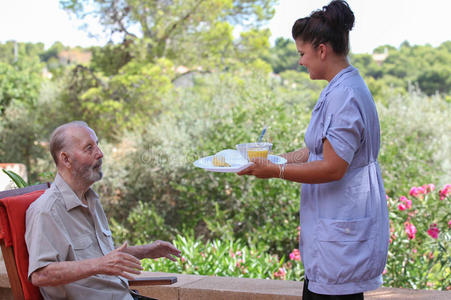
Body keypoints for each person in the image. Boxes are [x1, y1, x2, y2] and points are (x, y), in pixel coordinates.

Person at [238, 1, 389, 299]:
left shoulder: (345, 96)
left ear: (322, 50)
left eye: (302, 53)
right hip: (335, 240)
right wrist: (272, 159)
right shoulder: (340, 89)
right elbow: (314, 152)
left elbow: (333, 167)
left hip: (341, 241)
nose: (300, 62)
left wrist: (276, 171)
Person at [25, 121, 181, 300]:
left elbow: (102, 258)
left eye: (97, 145)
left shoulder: (90, 199)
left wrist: (145, 251)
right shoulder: (46, 211)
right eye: (89, 148)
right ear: (66, 159)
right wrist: (99, 265)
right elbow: (41, 274)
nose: (100, 153)